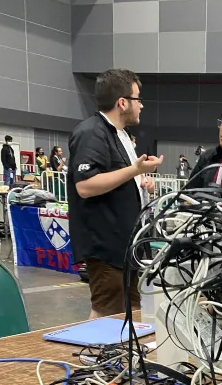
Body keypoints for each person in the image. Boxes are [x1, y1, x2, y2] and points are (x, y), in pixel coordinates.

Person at [67, 69, 161, 319]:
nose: (141, 105)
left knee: (132, 311)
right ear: (122, 102)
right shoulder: (91, 133)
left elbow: (119, 177)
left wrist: (141, 181)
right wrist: (135, 170)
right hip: (106, 247)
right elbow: (85, 185)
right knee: (107, 312)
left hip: (126, 244)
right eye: (138, 99)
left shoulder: (120, 135)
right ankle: (93, 346)